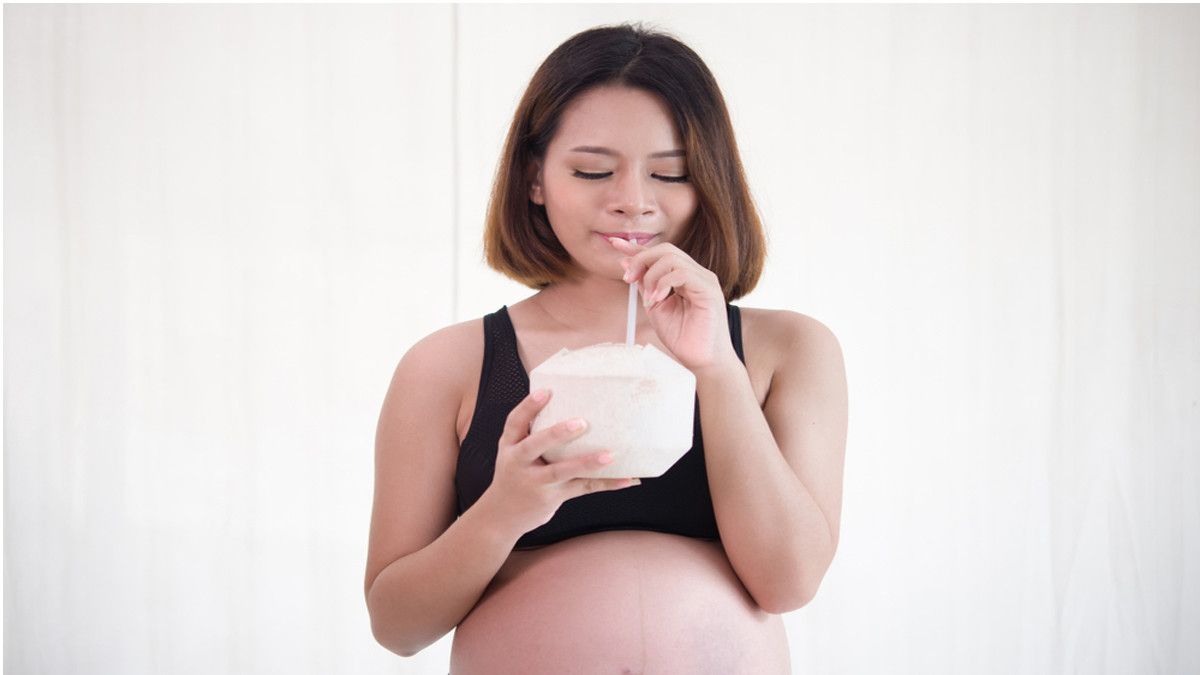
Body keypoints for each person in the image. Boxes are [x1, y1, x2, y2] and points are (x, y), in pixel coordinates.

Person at [365, 21, 847, 675]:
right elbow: (396, 625)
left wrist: (716, 368)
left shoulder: (788, 349)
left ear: (710, 182)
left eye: (671, 173)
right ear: (534, 178)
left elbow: (787, 581)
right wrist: (505, 510)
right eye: (593, 169)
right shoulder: (448, 366)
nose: (631, 202)